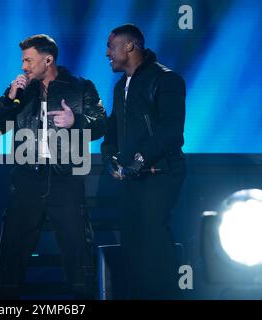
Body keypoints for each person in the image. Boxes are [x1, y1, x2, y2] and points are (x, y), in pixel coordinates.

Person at [0, 34, 107, 299]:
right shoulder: (20, 89)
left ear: (48, 59)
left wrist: (76, 120)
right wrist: (9, 97)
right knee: (12, 250)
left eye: (28, 60)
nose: (24, 66)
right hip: (27, 179)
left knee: (78, 250)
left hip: (65, 179)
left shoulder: (80, 87)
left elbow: (101, 124)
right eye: (23, 61)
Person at [101, 24, 186, 299]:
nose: (107, 53)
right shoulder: (120, 87)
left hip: (160, 173)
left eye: (111, 46)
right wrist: (110, 156)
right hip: (132, 177)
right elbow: (113, 128)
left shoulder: (166, 79)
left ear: (129, 46)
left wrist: (139, 159)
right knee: (132, 243)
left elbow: (171, 131)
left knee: (153, 240)